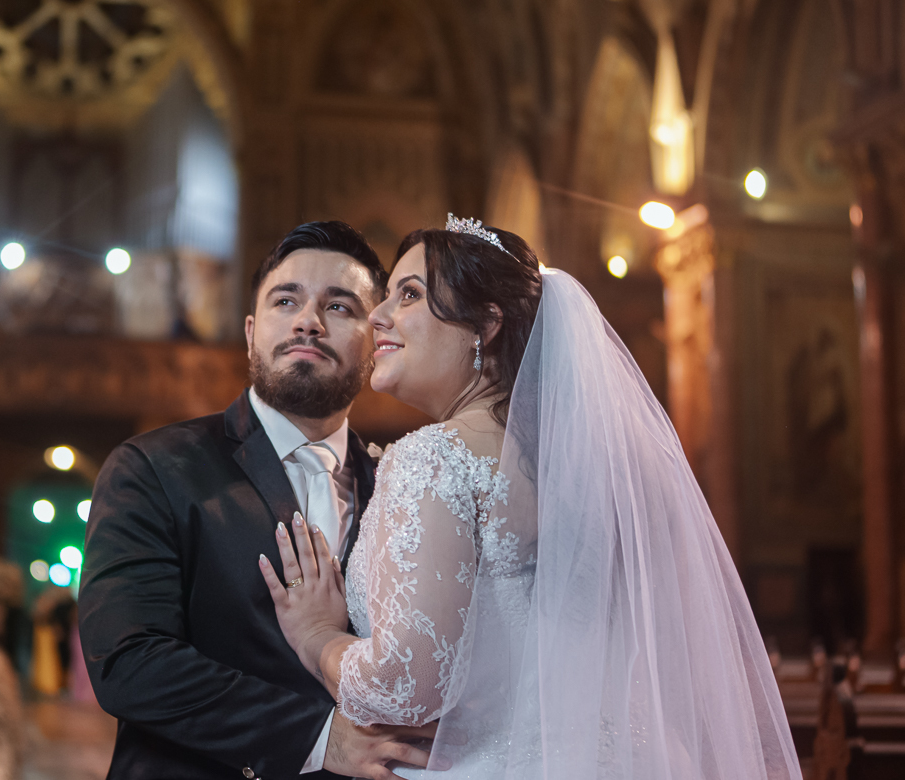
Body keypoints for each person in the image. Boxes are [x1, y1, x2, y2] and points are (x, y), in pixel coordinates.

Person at [261, 216, 802, 779]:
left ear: (486, 325)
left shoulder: (434, 459)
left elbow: (404, 686)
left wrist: (318, 636)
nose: (378, 315)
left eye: (411, 294)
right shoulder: (592, 468)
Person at [80, 221, 436, 780]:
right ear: (250, 333)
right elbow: (129, 661)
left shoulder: (404, 487)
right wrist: (318, 738)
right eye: (285, 300)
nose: (307, 321)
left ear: (376, 339)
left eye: (340, 307)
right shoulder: (153, 467)